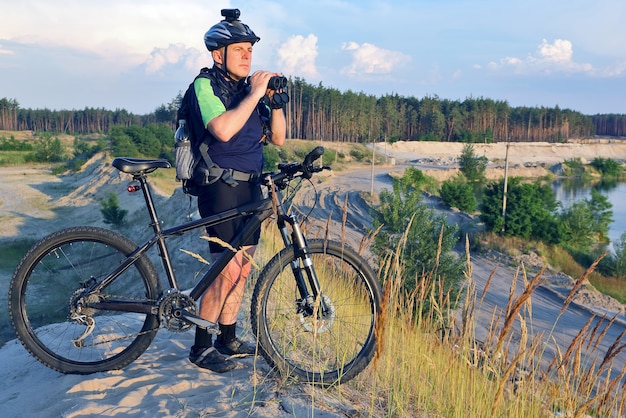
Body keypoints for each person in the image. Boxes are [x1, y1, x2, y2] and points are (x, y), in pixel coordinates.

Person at [186, 9, 286, 373]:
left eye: (250, 50)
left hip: (250, 187)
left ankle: (226, 338)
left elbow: (277, 137)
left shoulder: (249, 92)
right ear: (218, 54)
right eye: (239, 49)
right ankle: (200, 347)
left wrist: (273, 101)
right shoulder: (205, 86)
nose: (247, 56)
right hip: (220, 185)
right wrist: (257, 91)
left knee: (242, 268)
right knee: (225, 269)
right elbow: (224, 130)